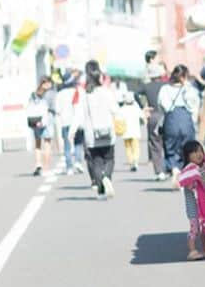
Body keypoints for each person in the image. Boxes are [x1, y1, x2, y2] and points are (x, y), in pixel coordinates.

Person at [177, 141, 205, 261]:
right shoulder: (188, 170)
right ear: (187, 155)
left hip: (204, 205)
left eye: (201, 151)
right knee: (195, 229)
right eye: (195, 152)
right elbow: (189, 185)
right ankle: (192, 250)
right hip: (194, 208)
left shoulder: (201, 168)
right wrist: (195, 178)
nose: (199, 154)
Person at [158, 66, 202, 183]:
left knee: (170, 147)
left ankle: (175, 170)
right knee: (187, 149)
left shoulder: (165, 89)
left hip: (171, 120)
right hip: (186, 120)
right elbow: (195, 105)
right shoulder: (190, 89)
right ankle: (185, 175)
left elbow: (162, 105)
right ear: (185, 76)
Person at [81, 61, 117, 199]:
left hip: (91, 135)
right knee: (109, 159)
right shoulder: (106, 92)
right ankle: (107, 176)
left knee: (96, 161)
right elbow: (115, 110)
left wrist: (72, 131)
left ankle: (101, 192)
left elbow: (80, 114)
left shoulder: (85, 94)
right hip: (107, 132)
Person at [138, 58, 169, 182]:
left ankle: (159, 171)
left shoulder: (146, 86)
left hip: (153, 115)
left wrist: (143, 107)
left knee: (155, 144)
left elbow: (135, 94)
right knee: (167, 143)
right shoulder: (166, 85)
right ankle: (170, 167)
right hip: (166, 116)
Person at [54, 74, 82, 176]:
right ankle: (78, 161)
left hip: (65, 122)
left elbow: (57, 110)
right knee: (78, 143)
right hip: (77, 121)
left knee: (67, 146)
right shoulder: (76, 92)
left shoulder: (59, 94)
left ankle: (69, 167)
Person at [27, 78, 54, 178]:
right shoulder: (49, 94)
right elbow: (53, 107)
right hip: (46, 119)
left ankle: (38, 164)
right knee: (47, 143)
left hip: (35, 120)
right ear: (46, 83)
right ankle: (46, 168)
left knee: (38, 143)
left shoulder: (33, 94)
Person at [117, 85, 143, 172]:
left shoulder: (122, 109)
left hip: (125, 131)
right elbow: (142, 116)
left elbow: (118, 119)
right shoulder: (136, 108)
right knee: (136, 147)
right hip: (135, 131)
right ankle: (135, 160)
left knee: (128, 148)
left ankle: (131, 161)